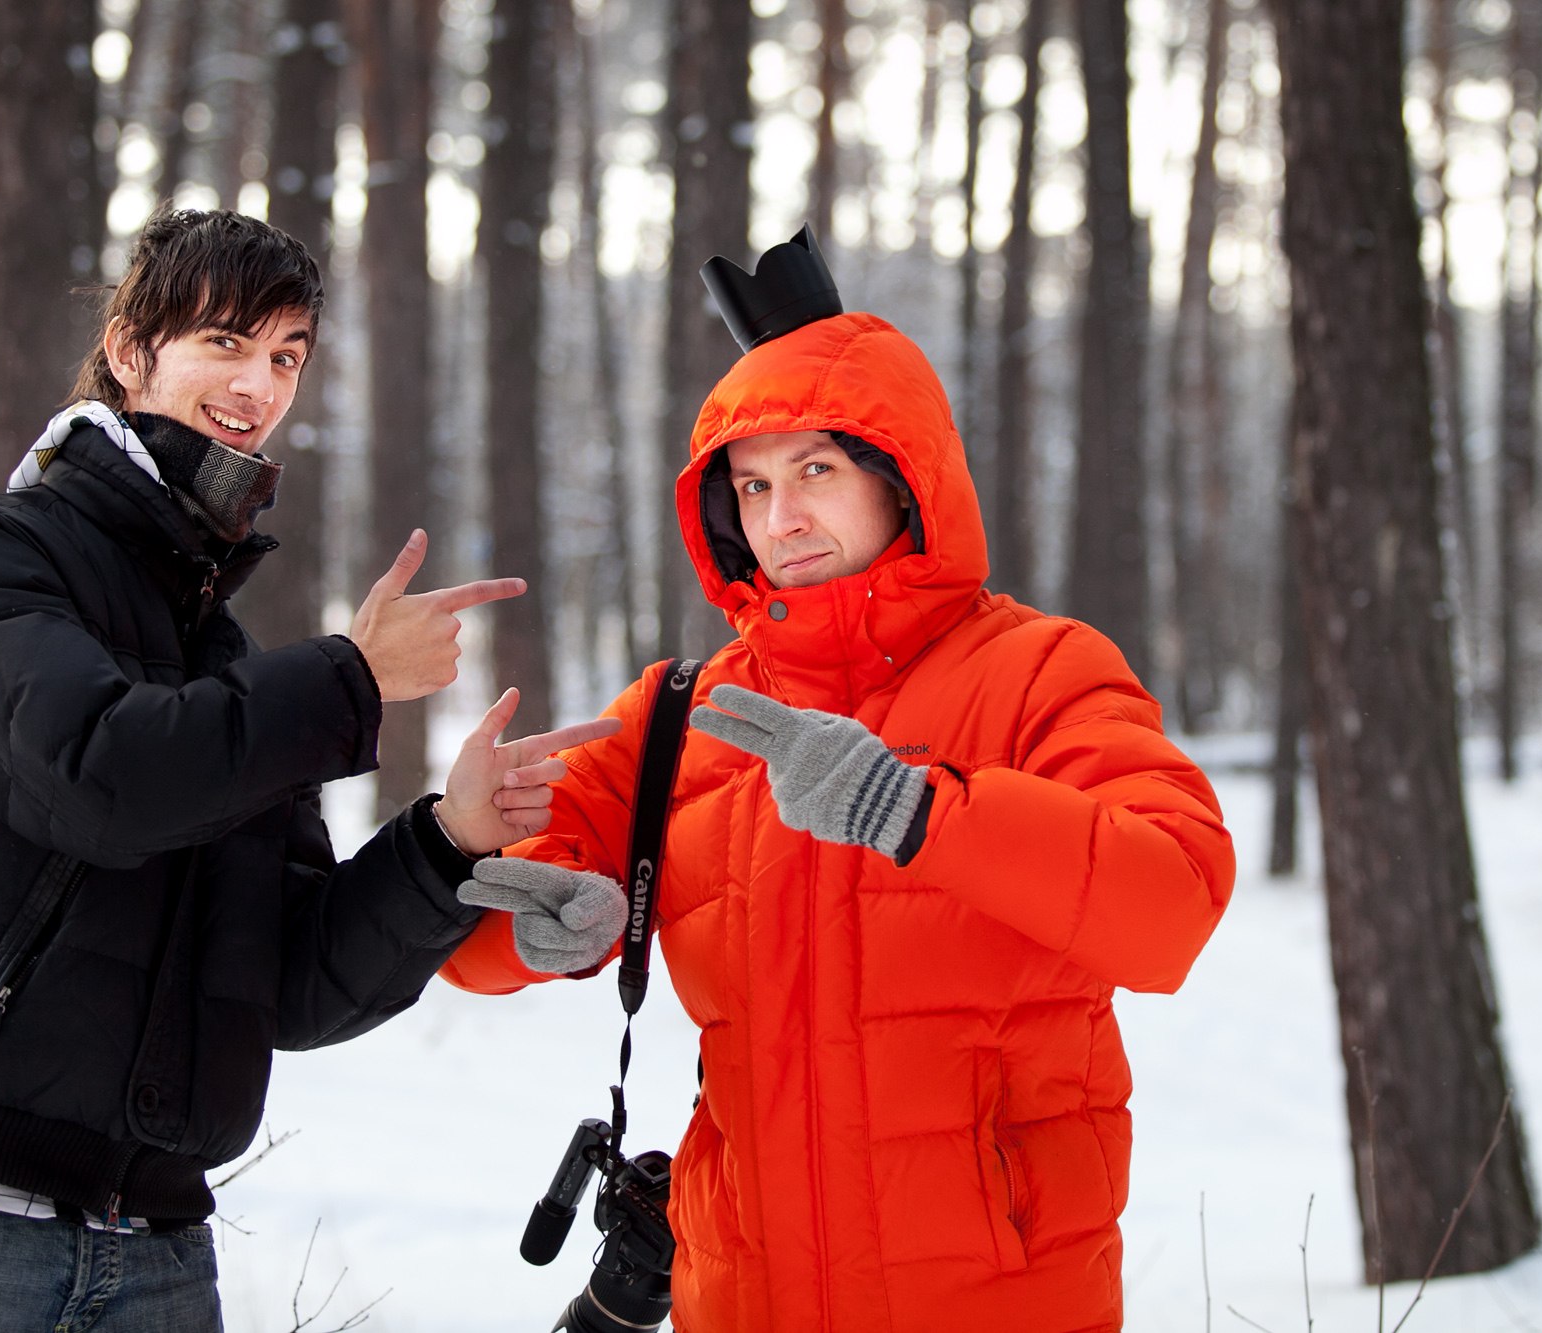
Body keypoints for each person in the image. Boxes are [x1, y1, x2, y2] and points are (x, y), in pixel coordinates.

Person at [0, 206, 615, 1332]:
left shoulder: (222, 658)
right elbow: (104, 777)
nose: (256, 384)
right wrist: (351, 677)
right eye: (224, 341)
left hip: (156, 1248)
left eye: (284, 356)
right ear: (131, 350)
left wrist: (447, 842)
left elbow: (286, 981)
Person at [443, 228, 1235, 1333]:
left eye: (816, 470)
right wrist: (534, 925)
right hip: (744, 1296)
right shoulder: (678, 713)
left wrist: (918, 812)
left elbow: (1172, 904)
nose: (782, 518)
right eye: (752, 484)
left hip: (994, 1302)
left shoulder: (1041, 671)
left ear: (902, 478)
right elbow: (482, 918)